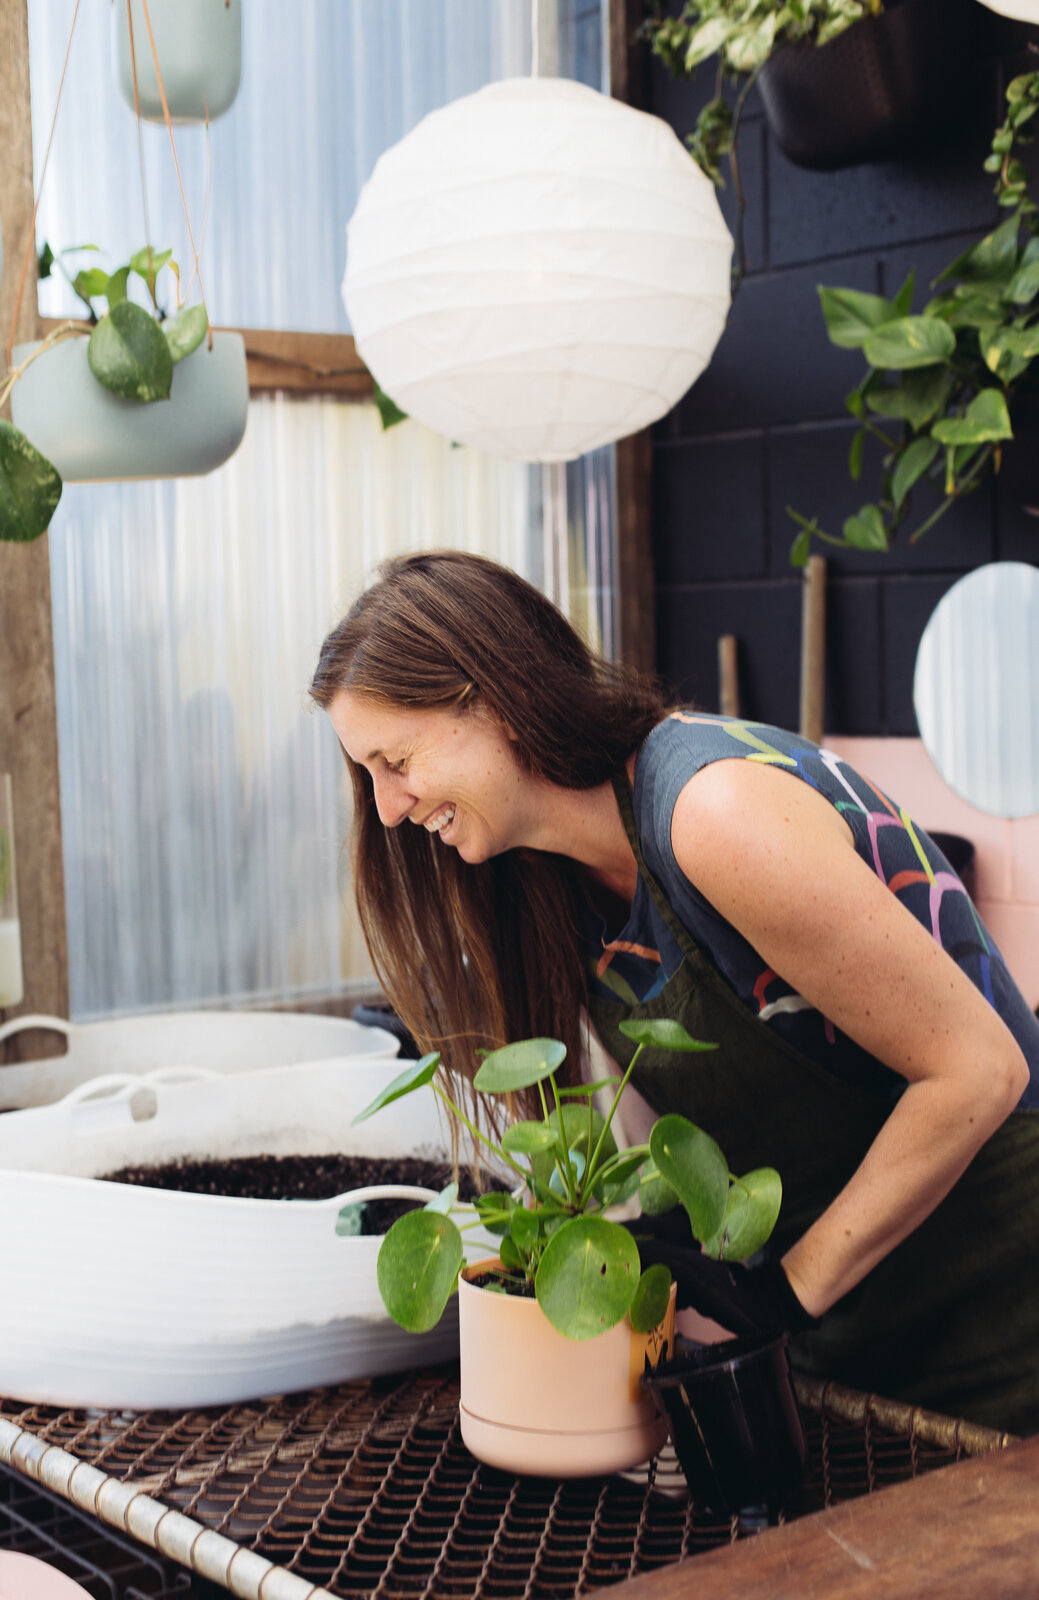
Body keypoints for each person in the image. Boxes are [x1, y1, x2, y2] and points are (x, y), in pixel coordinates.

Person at [311, 549, 1039, 1434]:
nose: (387, 809)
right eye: (369, 776)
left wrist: (785, 1293)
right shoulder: (552, 879)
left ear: (491, 697)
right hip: (849, 1328)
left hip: (1001, 1306)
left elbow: (977, 1073)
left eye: (395, 760)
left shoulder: (712, 811)